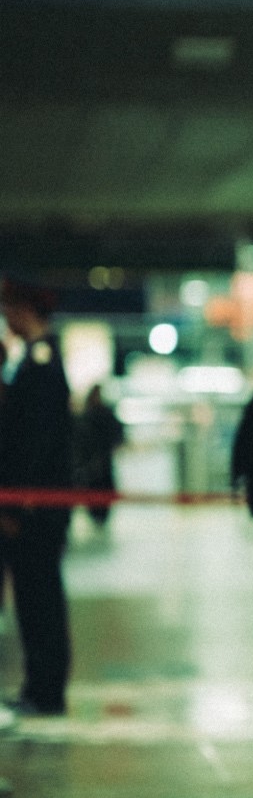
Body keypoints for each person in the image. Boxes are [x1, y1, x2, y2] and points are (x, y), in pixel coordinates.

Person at [0, 275, 75, 717]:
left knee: (38, 596)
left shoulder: (42, 362)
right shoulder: (34, 359)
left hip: (36, 507)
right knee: (34, 596)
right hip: (35, 504)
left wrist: (18, 503)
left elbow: (36, 444)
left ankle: (45, 690)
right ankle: (39, 685)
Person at [73, 384, 124, 530]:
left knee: (99, 489)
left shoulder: (90, 415)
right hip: (97, 464)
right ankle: (99, 516)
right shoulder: (95, 415)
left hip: (98, 463)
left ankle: (99, 517)